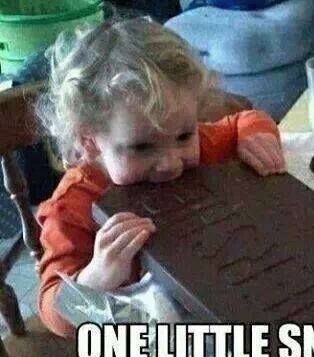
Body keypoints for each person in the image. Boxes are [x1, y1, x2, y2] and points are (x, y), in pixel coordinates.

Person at [36, 17, 286, 338]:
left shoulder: (193, 144)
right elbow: (54, 314)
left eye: (184, 136)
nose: (170, 163)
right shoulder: (72, 207)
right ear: (90, 141)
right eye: (141, 147)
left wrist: (256, 136)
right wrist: (95, 278)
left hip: (226, 295)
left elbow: (245, 120)